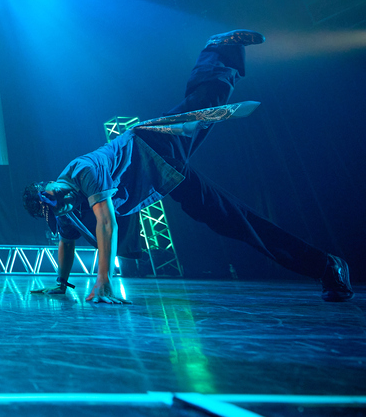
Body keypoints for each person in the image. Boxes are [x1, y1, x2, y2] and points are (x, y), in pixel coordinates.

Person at [23, 30, 354, 304]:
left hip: (155, 146)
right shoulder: (64, 210)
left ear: (51, 183)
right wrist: (61, 284)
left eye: (58, 195)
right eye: (58, 206)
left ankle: (219, 50)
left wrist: (104, 280)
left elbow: (106, 223)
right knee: (231, 219)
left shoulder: (83, 171)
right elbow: (66, 243)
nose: (64, 201)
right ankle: (327, 266)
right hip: (164, 178)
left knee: (204, 106)